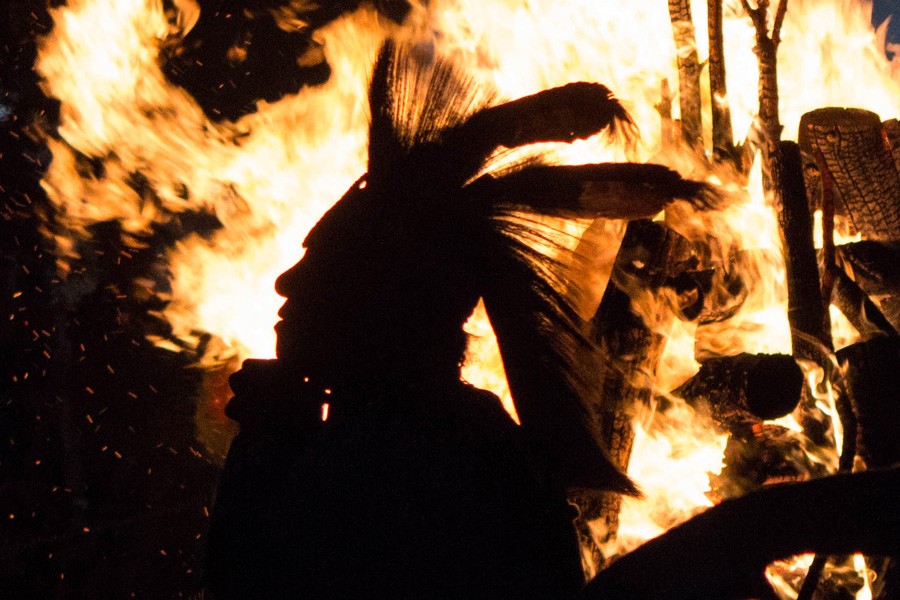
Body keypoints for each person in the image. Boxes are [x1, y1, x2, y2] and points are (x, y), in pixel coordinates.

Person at [206, 38, 711, 599]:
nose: (286, 284)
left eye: (321, 270)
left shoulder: (419, 468)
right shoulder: (451, 448)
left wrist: (269, 459)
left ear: (383, 309)